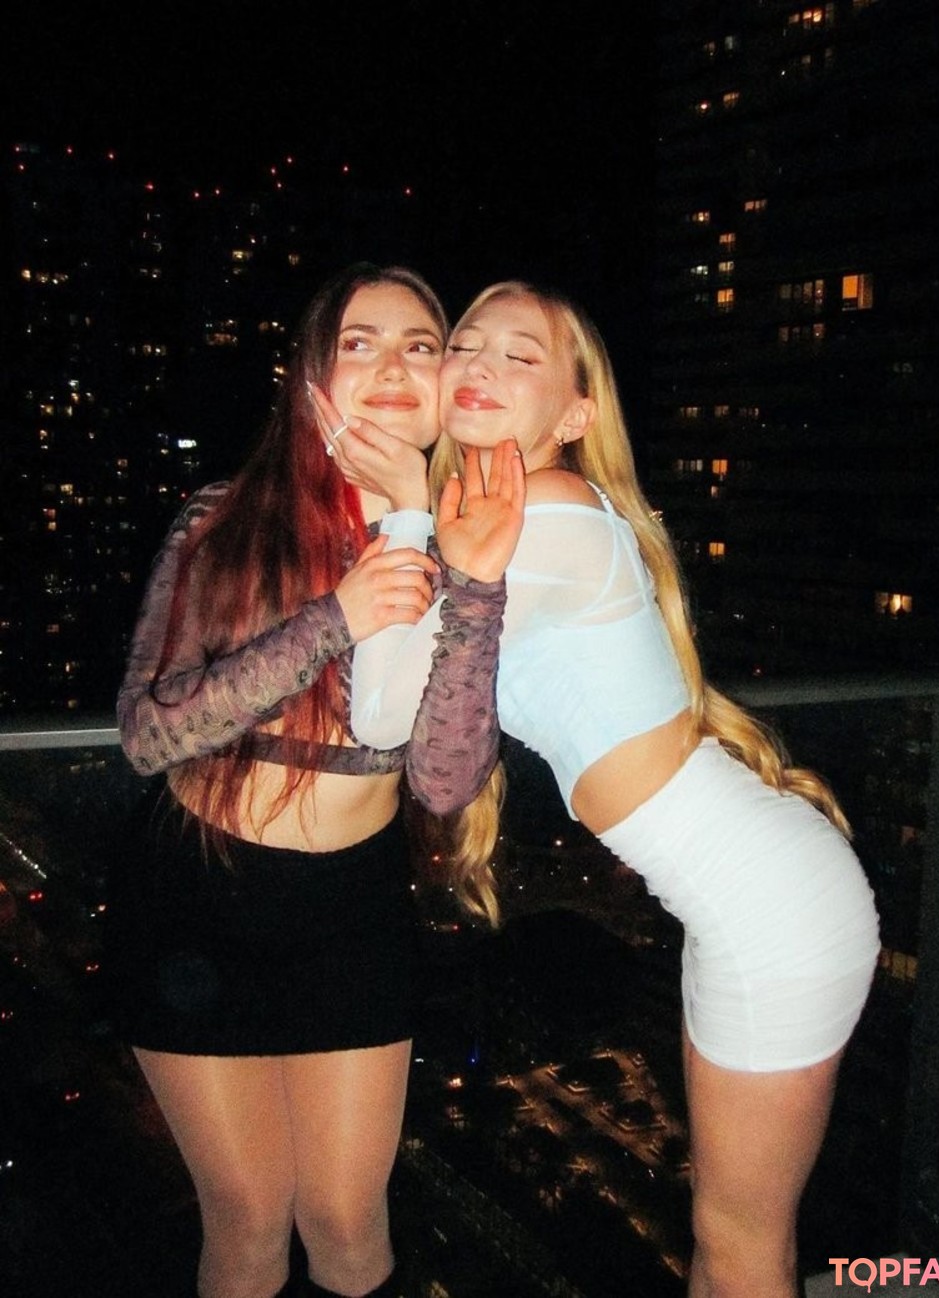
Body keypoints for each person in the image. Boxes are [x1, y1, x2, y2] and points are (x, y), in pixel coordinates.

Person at [350, 281, 881, 1298]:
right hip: (749, 901)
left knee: (741, 1246)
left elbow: (381, 713)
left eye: (521, 355)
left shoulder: (549, 512)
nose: (481, 366)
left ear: (575, 413)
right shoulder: (500, 521)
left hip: (770, 908)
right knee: (727, 1238)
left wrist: (404, 510)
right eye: (466, 344)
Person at [108, 262, 522, 1298]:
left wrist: (450, 559)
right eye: (359, 343)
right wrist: (337, 615)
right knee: (247, 1223)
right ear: (311, 378)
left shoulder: (474, 537)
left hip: (352, 911)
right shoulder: (224, 519)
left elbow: (444, 780)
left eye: (420, 345)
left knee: (346, 1221)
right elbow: (149, 733)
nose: (393, 368)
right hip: (197, 897)